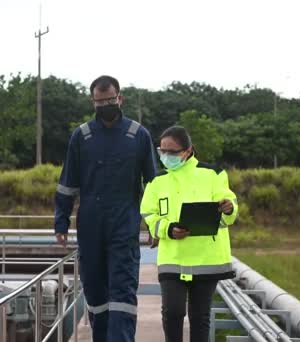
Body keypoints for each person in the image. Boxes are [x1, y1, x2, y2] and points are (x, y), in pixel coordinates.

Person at [54, 75, 157, 342]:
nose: (105, 105)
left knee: (122, 293)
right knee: (96, 295)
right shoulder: (82, 136)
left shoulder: (138, 135)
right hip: (90, 226)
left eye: (109, 100)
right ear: (93, 102)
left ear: (119, 98)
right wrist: (61, 222)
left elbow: (154, 187)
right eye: (99, 102)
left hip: (124, 224)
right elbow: (68, 184)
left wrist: (156, 224)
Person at [140, 126, 238, 342]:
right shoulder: (156, 181)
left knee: (200, 316)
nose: (166, 156)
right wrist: (168, 229)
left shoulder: (213, 174)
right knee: (172, 312)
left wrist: (229, 208)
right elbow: (148, 214)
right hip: (172, 258)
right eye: (161, 151)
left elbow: (228, 206)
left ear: (188, 151)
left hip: (206, 258)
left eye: (172, 152)